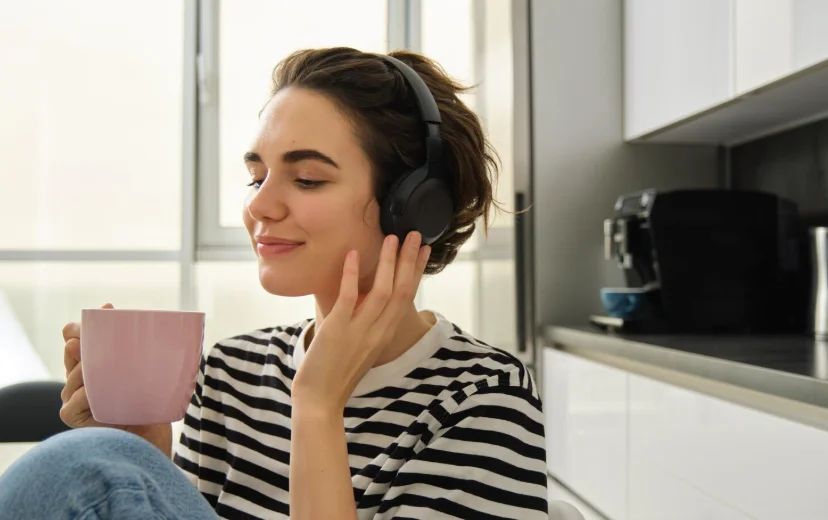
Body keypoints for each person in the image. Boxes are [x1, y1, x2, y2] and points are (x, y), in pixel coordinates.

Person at [0, 47, 547, 519]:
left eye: (306, 179)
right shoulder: (229, 372)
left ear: (414, 206)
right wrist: (144, 459)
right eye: (256, 177)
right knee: (95, 459)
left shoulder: (483, 397)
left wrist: (318, 405)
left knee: (78, 468)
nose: (259, 206)